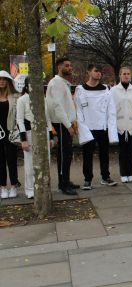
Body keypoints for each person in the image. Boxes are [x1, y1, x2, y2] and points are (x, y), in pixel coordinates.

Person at [75, 64, 118, 190]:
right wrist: (83, 128)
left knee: (104, 154)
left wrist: (111, 129)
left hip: (102, 128)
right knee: (87, 155)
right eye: (96, 71)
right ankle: (87, 179)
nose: (99, 73)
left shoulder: (106, 89)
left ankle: (105, 177)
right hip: (88, 128)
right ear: (89, 72)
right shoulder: (81, 90)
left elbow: (111, 111)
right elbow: (79, 111)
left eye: (100, 71)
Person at [16, 77, 54, 199]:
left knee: (45, 160)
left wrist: (51, 136)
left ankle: (45, 188)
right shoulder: (22, 100)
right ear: (27, 85)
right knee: (30, 162)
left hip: (43, 133)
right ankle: (30, 189)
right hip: (29, 133)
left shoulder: (43, 99)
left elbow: (47, 118)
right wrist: (24, 139)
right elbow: (19, 120)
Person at [45, 57, 78, 195]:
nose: (70, 68)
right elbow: (57, 106)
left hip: (66, 123)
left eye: (70, 65)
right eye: (67, 65)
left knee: (67, 154)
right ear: (59, 67)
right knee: (64, 155)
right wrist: (68, 125)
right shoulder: (57, 83)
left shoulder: (63, 82)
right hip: (61, 124)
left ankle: (65, 180)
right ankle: (63, 185)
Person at [111, 66, 132, 182]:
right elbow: (111, 109)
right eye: (124, 73)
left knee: (130, 150)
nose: (126, 75)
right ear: (120, 75)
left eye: (128, 73)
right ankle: (123, 174)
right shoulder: (113, 90)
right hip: (119, 125)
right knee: (122, 150)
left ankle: (131, 173)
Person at [0, 70, 20, 198]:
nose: (1, 82)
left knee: (12, 160)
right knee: (0, 161)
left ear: (8, 81)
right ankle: (2, 187)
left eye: (4, 79)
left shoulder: (15, 96)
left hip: (11, 132)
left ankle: (13, 185)